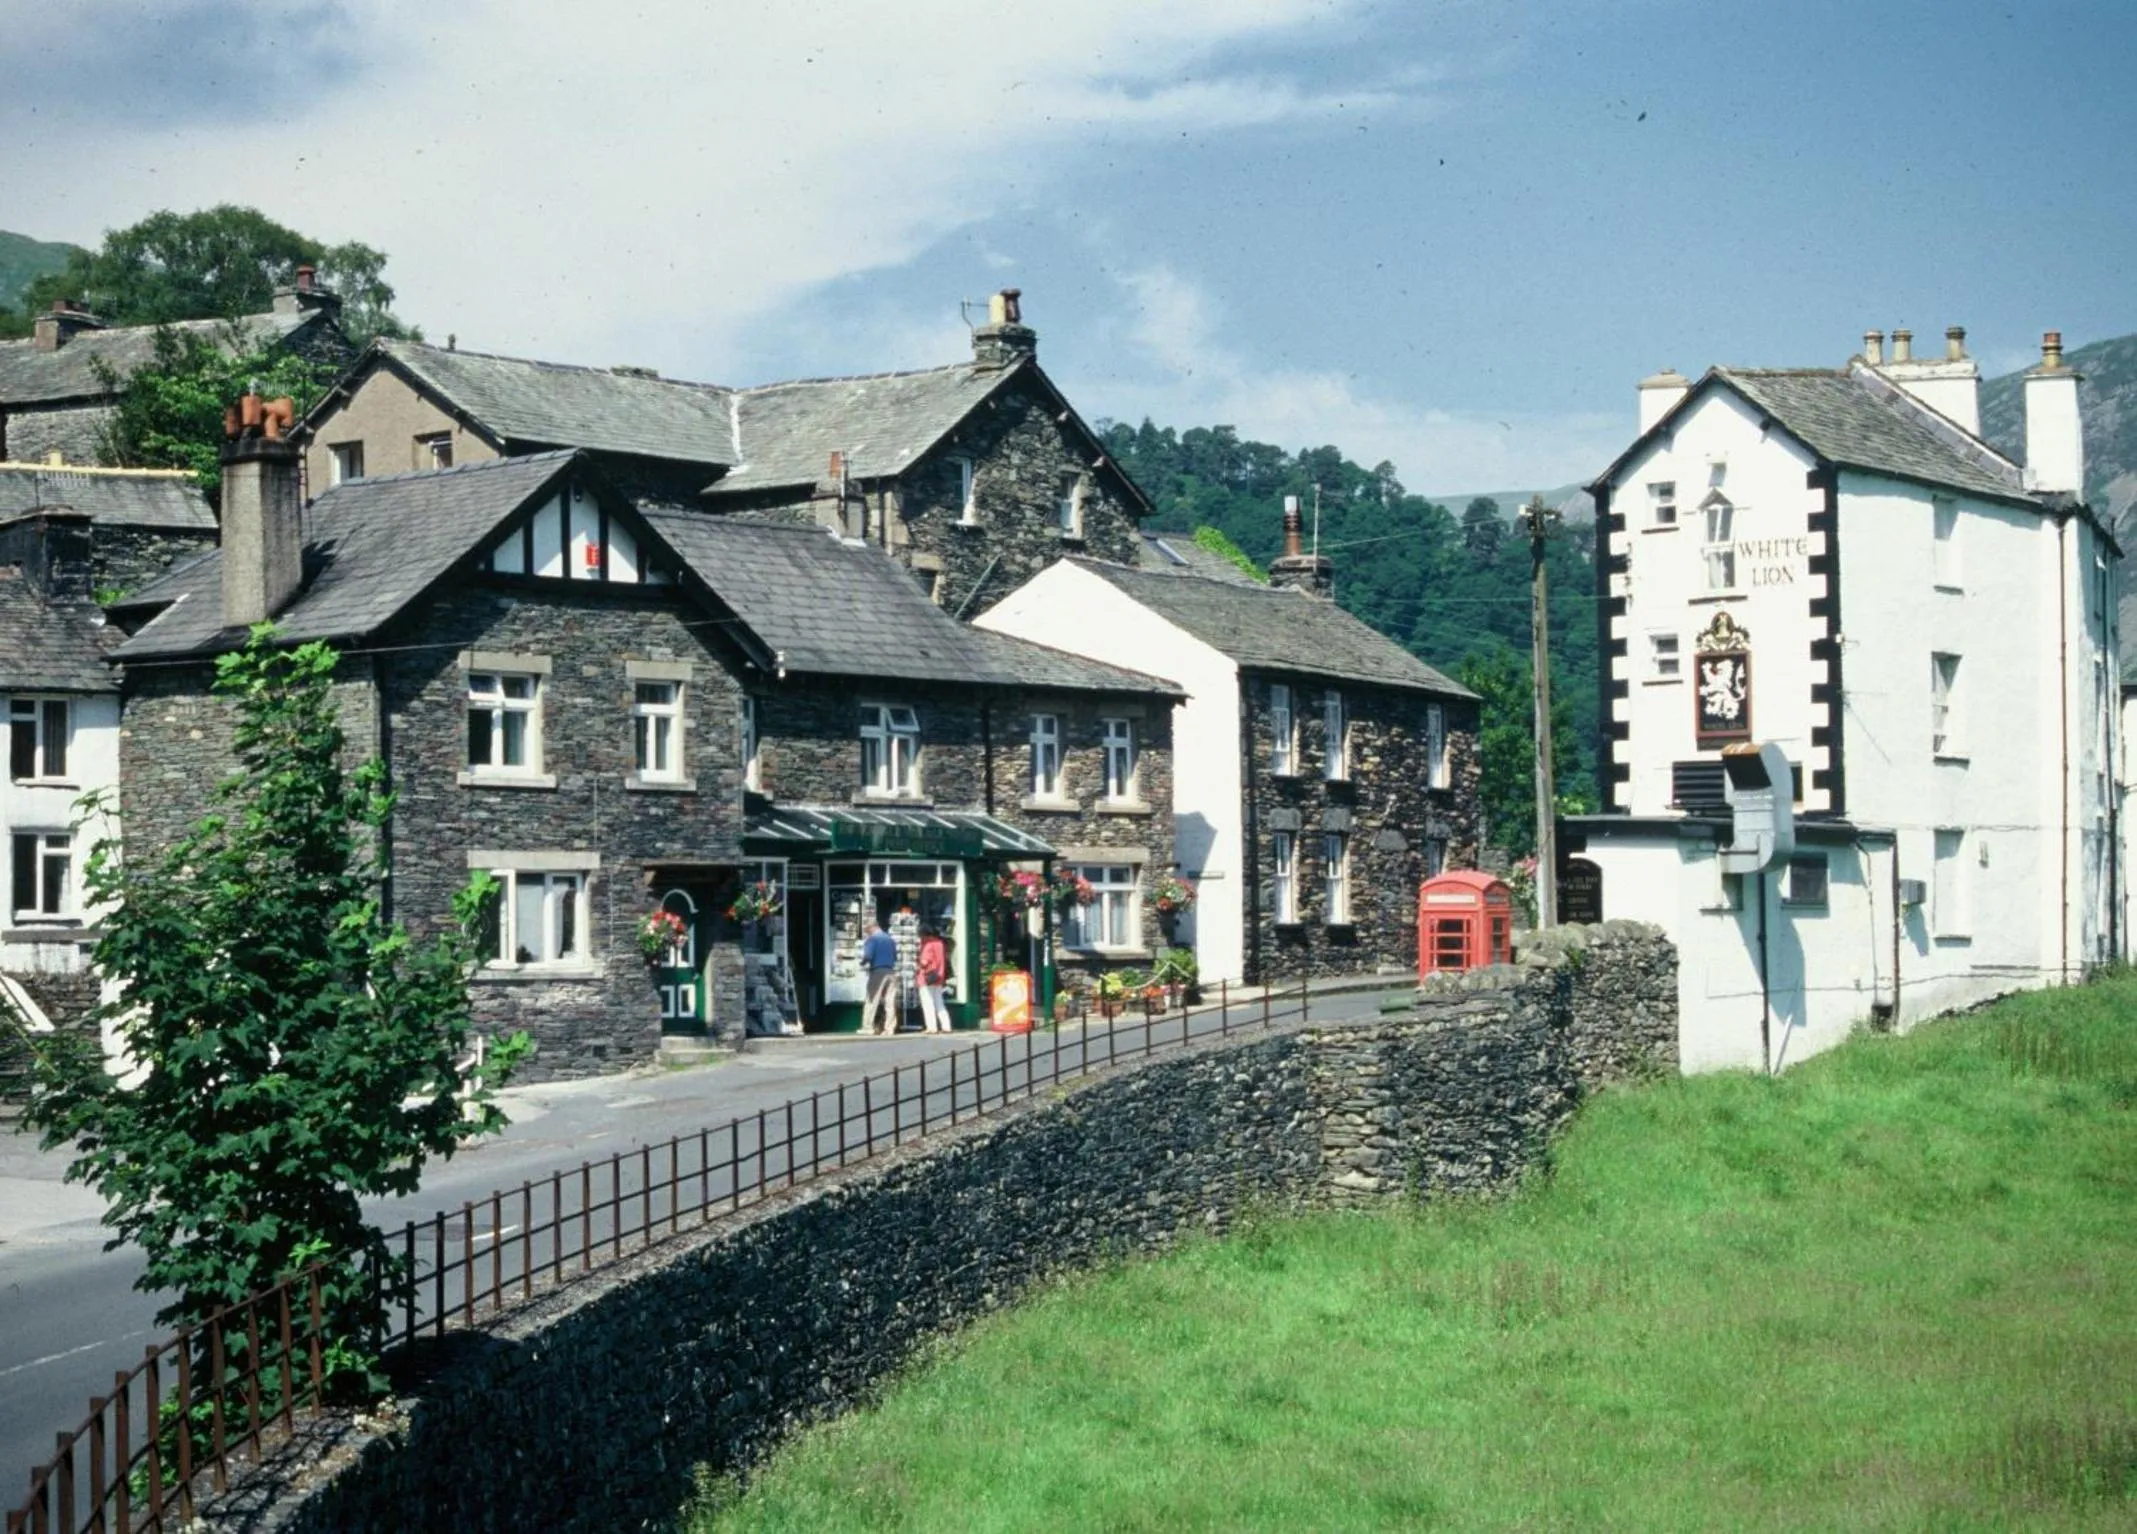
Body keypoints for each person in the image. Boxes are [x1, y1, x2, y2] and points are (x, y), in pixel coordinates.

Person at [860, 915, 900, 1035]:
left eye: (867, 930)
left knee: (872, 999)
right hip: (891, 971)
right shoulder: (890, 939)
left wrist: (862, 963)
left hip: (878, 971)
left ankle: (868, 1027)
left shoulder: (872, 940)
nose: (867, 933)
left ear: (871, 927)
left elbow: (868, 956)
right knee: (890, 1001)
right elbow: (895, 957)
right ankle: (890, 1028)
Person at [916, 926, 950, 1034]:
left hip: (927, 978)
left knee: (928, 1003)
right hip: (938, 976)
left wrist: (918, 962)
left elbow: (925, 962)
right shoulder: (940, 944)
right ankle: (946, 1026)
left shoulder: (928, 945)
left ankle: (932, 1027)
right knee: (939, 1002)